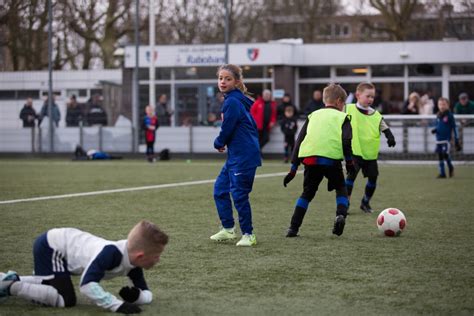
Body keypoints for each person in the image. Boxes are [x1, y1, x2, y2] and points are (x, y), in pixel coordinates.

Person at [0, 220, 168, 314]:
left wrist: (136, 296)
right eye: (156, 256)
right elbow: (86, 285)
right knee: (65, 300)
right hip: (51, 246)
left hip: (60, 252)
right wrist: (116, 305)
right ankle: (9, 286)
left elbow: (147, 293)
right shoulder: (110, 254)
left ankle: (9, 279)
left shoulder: (134, 264)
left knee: (50, 286)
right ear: (141, 256)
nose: (158, 260)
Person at [282, 83, 354, 237]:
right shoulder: (343, 117)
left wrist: (293, 169)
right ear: (339, 101)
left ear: (324, 100)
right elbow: (347, 141)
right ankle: (340, 215)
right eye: (344, 103)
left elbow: (299, 141)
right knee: (341, 188)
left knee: (307, 194)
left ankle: (293, 228)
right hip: (331, 160)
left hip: (310, 160)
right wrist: (349, 163)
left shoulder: (312, 115)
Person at [210, 64, 261, 247]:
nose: (223, 82)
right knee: (220, 190)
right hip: (236, 155)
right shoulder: (233, 99)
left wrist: (218, 142)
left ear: (237, 82)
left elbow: (228, 127)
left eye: (228, 79)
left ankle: (249, 234)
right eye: (220, 78)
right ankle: (228, 229)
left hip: (244, 156)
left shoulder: (232, 101)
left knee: (239, 195)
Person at [345, 82, 396, 214]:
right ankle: (345, 204)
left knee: (373, 179)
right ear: (358, 95)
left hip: (370, 154)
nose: (370, 99)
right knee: (350, 178)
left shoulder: (375, 114)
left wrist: (389, 135)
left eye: (372, 97)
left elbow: (383, 125)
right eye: (368, 96)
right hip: (355, 152)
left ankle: (365, 202)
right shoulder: (347, 109)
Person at [431, 97, 461, 178]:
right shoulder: (438, 115)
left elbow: (454, 128)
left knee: (445, 155)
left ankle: (450, 167)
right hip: (438, 140)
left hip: (446, 140)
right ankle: (442, 173)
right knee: (440, 156)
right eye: (440, 104)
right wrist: (435, 130)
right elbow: (439, 126)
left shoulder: (450, 116)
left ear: (448, 105)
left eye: (444, 104)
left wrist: (456, 140)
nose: (442, 106)